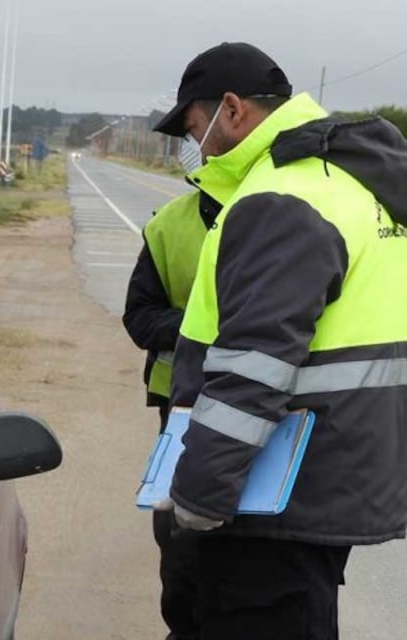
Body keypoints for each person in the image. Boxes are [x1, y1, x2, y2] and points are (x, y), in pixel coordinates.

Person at [150, 41, 407, 639]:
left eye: (194, 128)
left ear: (232, 109)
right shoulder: (354, 184)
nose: (197, 145)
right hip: (332, 474)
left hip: (272, 494)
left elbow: (255, 365)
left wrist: (200, 495)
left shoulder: (283, 196)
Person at [123, 187, 219, 640]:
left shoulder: (297, 209)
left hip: (280, 411)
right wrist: (204, 326)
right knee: (181, 540)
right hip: (182, 408)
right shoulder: (169, 224)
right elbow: (139, 318)